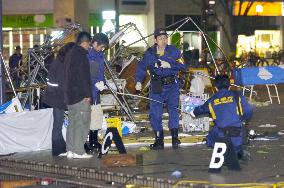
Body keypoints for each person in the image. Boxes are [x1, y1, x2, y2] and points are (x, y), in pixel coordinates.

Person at [135, 28, 185, 149]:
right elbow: (141, 67)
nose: (163, 41)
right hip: (157, 86)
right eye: (160, 38)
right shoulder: (150, 54)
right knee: (155, 113)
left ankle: (175, 138)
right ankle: (159, 140)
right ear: (155, 40)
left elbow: (183, 66)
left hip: (172, 85)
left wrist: (170, 65)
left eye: (165, 38)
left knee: (173, 110)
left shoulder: (174, 52)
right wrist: (138, 81)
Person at [191, 74, 253, 159]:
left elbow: (198, 111)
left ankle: (225, 150)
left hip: (221, 134)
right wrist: (242, 119)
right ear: (229, 86)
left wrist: (192, 112)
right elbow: (249, 110)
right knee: (242, 131)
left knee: (209, 138)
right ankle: (238, 150)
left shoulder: (212, 100)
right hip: (238, 133)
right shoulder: (237, 95)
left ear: (216, 87)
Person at [64, 31, 93, 159]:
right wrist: (87, 94)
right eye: (89, 44)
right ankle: (79, 151)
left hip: (70, 96)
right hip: (81, 95)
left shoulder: (69, 55)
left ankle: (70, 150)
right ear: (85, 43)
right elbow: (84, 77)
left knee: (72, 123)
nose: (89, 47)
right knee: (82, 123)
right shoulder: (81, 56)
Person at [43, 42, 75, 156]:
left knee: (58, 123)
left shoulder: (60, 60)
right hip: (57, 97)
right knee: (57, 123)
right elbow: (60, 83)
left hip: (56, 96)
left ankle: (60, 148)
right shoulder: (61, 63)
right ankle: (57, 149)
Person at [84, 33, 109, 153]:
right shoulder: (87, 54)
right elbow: (87, 74)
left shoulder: (100, 55)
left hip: (96, 92)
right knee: (86, 118)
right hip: (87, 92)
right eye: (102, 46)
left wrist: (102, 82)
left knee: (96, 116)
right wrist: (95, 84)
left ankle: (94, 141)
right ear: (95, 43)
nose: (102, 49)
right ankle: (84, 142)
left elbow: (100, 72)